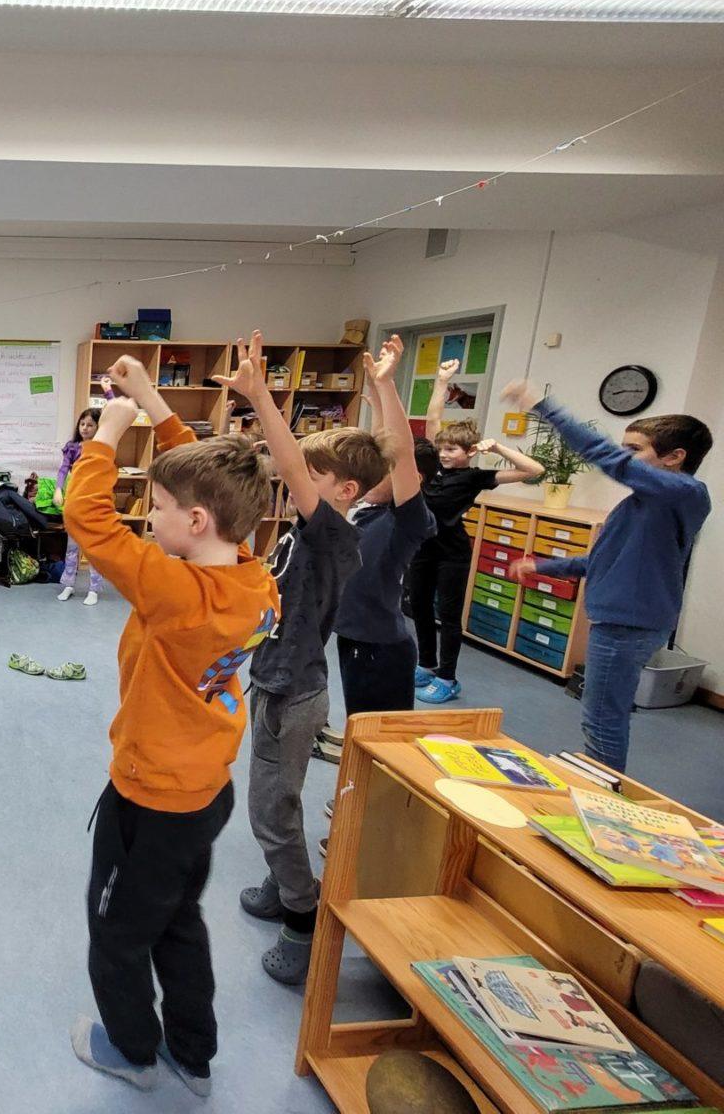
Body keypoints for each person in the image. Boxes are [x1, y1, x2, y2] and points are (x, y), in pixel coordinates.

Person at [65, 353, 280, 1098]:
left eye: (154, 509)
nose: (146, 519)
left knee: (117, 936)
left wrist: (109, 433)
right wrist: (154, 401)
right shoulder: (252, 574)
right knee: (179, 920)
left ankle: (132, 1050)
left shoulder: (174, 591)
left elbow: (86, 519)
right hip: (204, 793)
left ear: (192, 523)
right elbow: (209, 481)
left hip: (150, 800)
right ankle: (194, 1051)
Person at [215, 331, 386, 987]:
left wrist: (262, 394)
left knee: (269, 810)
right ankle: (279, 878)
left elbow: (285, 465)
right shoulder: (302, 536)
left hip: (296, 694)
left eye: (309, 478)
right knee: (273, 798)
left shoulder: (335, 536)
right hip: (272, 680)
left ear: (345, 490)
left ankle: (302, 916)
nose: (294, 484)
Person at [502, 380, 711, 773]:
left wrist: (542, 406)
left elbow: (604, 457)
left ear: (675, 457)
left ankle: (603, 796)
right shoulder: (644, 503)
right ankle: (600, 781)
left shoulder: (686, 493)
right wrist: (542, 566)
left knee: (602, 718)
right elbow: (602, 560)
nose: (623, 458)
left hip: (627, 624)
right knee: (600, 715)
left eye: (634, 451)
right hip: (618, 619)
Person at [408, 359, 544, 703]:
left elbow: (534, 469)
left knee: (449, 615)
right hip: (423, 548)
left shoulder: (475, 477)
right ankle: (425, 663)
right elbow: (434, 420)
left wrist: (497, 447)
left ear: (470, 452)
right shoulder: (434, 466)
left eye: (451, 450)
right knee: (420, 607)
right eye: (442, 449)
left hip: (452, 554)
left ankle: (448, 677)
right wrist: (441, 382)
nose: (444, 454)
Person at [331, 336, 436, 721]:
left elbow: (400, 453)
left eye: (381, 473)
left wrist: (388, 385)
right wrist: (375, 397)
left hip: (381, 646)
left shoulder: (404, 520)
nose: (366, 479)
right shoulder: (366, 508)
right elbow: (379, 449)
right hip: (353, 638)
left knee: (381, 738)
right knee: (360, 728)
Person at [54, 407, 106, 604]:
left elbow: (115, 417)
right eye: (82, 424)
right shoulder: (73, 447)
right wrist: (59, 489)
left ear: (98, 427)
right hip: (75, 502)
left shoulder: (103, 447)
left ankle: (94, 589)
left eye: (90, 425)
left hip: (94, 503)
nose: (85, 428)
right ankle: (68, 585)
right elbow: (63, 470)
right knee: (72, 548)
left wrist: (108, 391)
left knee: (93, 549)